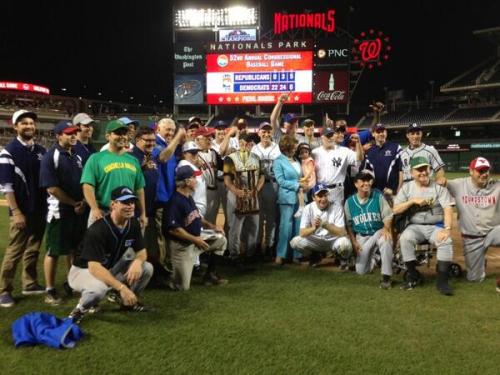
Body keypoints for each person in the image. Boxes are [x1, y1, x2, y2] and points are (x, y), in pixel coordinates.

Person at [68, 186, 153, 323]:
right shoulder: (98, 229)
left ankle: (128, 302)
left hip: (108, 267)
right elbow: (94, 267)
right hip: (82, 271)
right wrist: (121, 287)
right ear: (113, 204)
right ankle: (79, 310)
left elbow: (142, 252)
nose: (130, 206)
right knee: (99, 289)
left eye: (132, 202)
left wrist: (137, 262)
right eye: (125, 202)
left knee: (146, 268)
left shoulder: (133, 224)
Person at [0, 110, 47, 308]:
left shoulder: (41, 151)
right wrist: (16, 212)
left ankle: (29, 283)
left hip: (40, 209)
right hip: (22, 210)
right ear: (15, 127)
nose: (29, 126)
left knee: (34, 248)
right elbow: (6, 186)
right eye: (24, 123)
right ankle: (4, 290)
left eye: (31, 123)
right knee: (15, 250)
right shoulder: (8, 152)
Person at [39, 121, 87, 305]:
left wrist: (80, 202)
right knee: (54, 251)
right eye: (68, 133)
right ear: (58, 136)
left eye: (75, 132)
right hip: (59, 211)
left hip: (76, 210)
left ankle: (72, 283)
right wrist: (74, 202)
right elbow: (51, 188)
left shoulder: (75, 156)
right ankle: (49, 289)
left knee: (73, 250)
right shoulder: (51, 156)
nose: (73, 136)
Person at [393, 156, 455, 295]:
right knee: (405, 238)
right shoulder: (407, 188)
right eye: (419, 170)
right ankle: (413, 275)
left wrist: (447, 229)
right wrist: (412, 201)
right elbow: (395, 209)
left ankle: (442, 281)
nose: (423, 172)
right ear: (412, 172)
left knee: (446, 240)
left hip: (436, 226)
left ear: (430, 170)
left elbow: (448, 209)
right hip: (414, 226)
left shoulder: (439, 188)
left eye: (425, 169)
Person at [163, 166, 228, 291]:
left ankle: (210, 275)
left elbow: (197, 217)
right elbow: (174, 229)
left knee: (221, 240)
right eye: (194, 177)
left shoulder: (188, 197)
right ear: (187, 182)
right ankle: (168, 277)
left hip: (195, 241)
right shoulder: (174, 202)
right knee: (182, 287)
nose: (196, 180)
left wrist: (212, 226)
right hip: (182, 246)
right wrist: (195, 240)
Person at [444, 157, 500, 289]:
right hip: (472, 239)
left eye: (486, 170)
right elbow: (440, 183)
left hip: (494, 232)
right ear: (471, 171)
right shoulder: (458, 185)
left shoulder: (497, 186)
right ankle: (479, 262)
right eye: (480, 171)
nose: (484, 174)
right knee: (474, 279)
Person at [81, 119, 146, 227]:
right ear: (107, 136)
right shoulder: (96, 158)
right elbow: (87, 186)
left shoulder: (133, 160)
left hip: (127, 214)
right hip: (103, 212)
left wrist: (143, 213)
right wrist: (95, 209)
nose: (122, 136)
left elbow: (139, 189)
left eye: (124, 133)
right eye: (118, 133)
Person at [345, 171, 394, 289]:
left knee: (386, 240)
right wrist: (354, 242)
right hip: (362, 236)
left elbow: (388, 215)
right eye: (363, 180)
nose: (366, 183)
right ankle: (375, 257)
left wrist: (386, 228)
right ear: (356, 184)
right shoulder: (349, 202)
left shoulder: (378, 197)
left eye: (368, 180)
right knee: (361, 271)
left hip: (380, 231)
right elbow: (349, 225)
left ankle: (386, 277)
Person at [129, 126, 165, 286]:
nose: (151, 143)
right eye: (147, 140)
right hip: (135, 211)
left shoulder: (151, 156)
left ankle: (148, 277)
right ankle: (129, 281)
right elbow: (131, 182)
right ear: (137, 140)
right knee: (134, 249)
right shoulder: (132, 158)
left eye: (153, 140)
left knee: (148, 247)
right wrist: (142, 168)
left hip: (149, 210)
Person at [224, 133, 265, 264]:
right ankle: (234, 255)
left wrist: (256, 190)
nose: (247, 145)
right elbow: (227, 179)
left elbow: (262, 176)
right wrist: (236, 191)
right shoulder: (230, 158)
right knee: (235, 227)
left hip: (253, 195)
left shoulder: (257, 158)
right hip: (236, 195)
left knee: (253, 225)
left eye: (250, 143)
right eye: (244, 142)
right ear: (239, 142)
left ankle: (250, 254)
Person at [290, 184, 352, 267]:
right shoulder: (308, 208)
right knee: (295, 242)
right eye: (319, 196)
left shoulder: (337, 207)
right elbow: (302, 233)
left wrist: (325, 225)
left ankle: (341, 257)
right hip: (316, 241)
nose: (323, 199)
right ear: (313, 197)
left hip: (333, 240)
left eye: (325, 195)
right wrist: (313, 228)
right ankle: (314, 256)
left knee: (345, 244)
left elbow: (342, 232)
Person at [273, 135, 308, 265]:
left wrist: (304, 185)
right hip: (287, 198)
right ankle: (280, 255)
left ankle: (296, 255)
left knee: (298, 226)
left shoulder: (296, 160)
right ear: (287, 147)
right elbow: (280, 181)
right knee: (285, 227)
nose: (295, 148)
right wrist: (297, 185)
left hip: (300, 198)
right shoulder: (278, 161)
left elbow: (300, 177)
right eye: (293, 146)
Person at [251, 121, 281, 256]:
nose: (266, 134)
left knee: (271, 218)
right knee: (257, 217)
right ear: (259, 133)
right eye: (263, 131)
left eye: (269, 131)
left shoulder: (277, 148)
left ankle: (269, 245)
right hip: (257, 186)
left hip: (272, 184)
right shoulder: (254, 149)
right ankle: (257, 244)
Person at [312, 124, 363, 204]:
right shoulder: (315, 152)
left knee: (337, 215)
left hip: (337, 190)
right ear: (322, 137)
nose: (330, 138)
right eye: (328, 136)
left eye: (332, 135)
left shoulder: (343, 151)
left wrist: (358, 143)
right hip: (320, 190)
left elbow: (359, 158)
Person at [363, 123, 402, 201]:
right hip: (375, 194)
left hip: (392, 193)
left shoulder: (396, 147)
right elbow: (366, 173)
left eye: (383, 131)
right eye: (378, 132)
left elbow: (401, 172)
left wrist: (397, 191)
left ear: (386, 133)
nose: (381, 134)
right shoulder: (369, 151)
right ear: (373, 134)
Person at [195, 126, 222, 223]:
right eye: (206, 138)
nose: (209, 140)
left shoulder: (214, 153)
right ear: (197, 139)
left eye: (210, 137)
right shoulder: (193, 154)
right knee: (200, 220)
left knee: (211, 220)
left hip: (214, 191)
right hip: (201, 192)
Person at [178, 141, 207, 216]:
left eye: (196, 152)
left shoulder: (191, 165)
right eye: (192, 153)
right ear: (184, 154)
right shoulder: (183, 165)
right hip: (193, 206)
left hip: (198, 205)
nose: (195, 155)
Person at [294, 142, 316, 218]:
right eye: (302, 152)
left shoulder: (310, 160)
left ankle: (301, 207)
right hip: (306, 180)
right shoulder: (301, 160)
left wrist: (304, 178)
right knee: (300, 190)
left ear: (309, 153)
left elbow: (310, 172)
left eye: (306, 152)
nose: (304, 154)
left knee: (300, 189)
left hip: (310, 180)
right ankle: (302, 206)